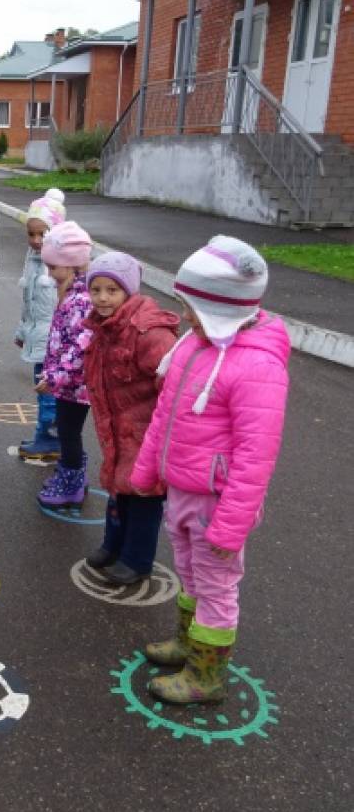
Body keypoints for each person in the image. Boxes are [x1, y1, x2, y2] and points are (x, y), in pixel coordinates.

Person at [131, 236, 289, 705]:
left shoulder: (257, 366)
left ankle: (207, 674)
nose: (186, 317)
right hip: (182, 489)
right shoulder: (194, 346)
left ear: (223, 307)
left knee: (216, 586)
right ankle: (188, 642)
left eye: (193, 307)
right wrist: (145, 470)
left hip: (216, 502)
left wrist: (231, 526)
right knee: (189, 572)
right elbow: (164, 415)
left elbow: (256, 457)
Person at [82, 252, 179, 584]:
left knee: (144, 497)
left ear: (129, 290)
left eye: (112, 290)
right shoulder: (103, 327)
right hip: (118, 427)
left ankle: (137, 559)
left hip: (146, 432)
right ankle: (113, 545)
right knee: (118, 489)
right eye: (96, 290)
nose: (102, 298)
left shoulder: (149, 332)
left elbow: (173, 384)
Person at [35, 221, 94, 509]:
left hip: (75, 385)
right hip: (68, 383)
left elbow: (80, 348)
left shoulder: (81, 301)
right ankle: (73, 475)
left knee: (69, 433)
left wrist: (55, 377)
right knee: (68, 431)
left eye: (53, 267)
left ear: (72, 265)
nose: (49, 273)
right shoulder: (72, 294)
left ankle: (72, 485)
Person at [15, 188, 66, 460]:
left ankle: (49, 439)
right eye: (31, 234)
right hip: (39, 337)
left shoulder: (62, 265)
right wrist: (22, 331)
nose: (36, 240)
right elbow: (29, 302)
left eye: (42, 234)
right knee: (42, 389)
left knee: (48, 392)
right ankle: (44, 435)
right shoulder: (33, 259)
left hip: (55, 343)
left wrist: (62, 344)